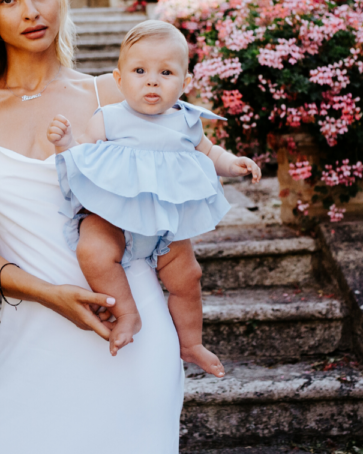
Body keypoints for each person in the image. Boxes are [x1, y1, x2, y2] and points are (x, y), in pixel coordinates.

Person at [0, 0, 184, 454]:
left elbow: (178, 191)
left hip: (131, 337)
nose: (30, 11)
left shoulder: (113, 95)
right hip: (34, 333)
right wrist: (51, 296)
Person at [47, 21, 262, 374]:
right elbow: (83, 155)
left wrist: (233, 163)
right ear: (119, 79)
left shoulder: (186, 121)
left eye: (166, 72)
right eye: (140, 71)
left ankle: (191, 343)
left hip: (165, 225)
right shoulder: (110, 118)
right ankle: (128, 313)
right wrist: (66, 143)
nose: (152, 80)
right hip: (113, 217)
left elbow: (210, 152)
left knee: (188, 277)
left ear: (185, 82)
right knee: (94, 252)